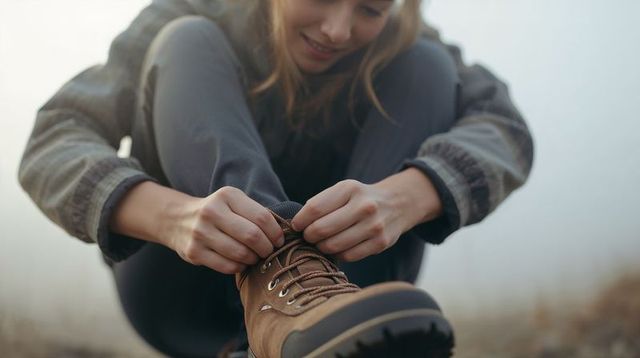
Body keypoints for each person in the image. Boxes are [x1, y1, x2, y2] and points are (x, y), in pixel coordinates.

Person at [18, 0, 534, 357]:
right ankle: (271, 296)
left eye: (371, 9)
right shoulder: (194, 9)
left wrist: (407, 196)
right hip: (182, 296)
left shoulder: (407, 40)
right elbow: (55, 140)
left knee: (427, 64)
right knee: (186, 42)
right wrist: (172, 216)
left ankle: (322, 317)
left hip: (350, 292)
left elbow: (504, 130)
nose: (338, 29)